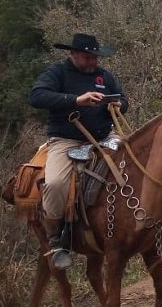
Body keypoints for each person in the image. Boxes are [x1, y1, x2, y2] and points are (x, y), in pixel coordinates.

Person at [29, 33, 129, 270]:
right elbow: (36, 96)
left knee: (137, 160)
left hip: (105, 137)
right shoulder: (57, 73)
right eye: (87, 57)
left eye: (94, 57)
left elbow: (123, 99)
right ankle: (56, 241)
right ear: (73, 54)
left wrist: (119, 104)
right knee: (54, 184)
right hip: (67, 140)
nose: (92, 62)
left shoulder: (104, 76)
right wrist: (76, 100)